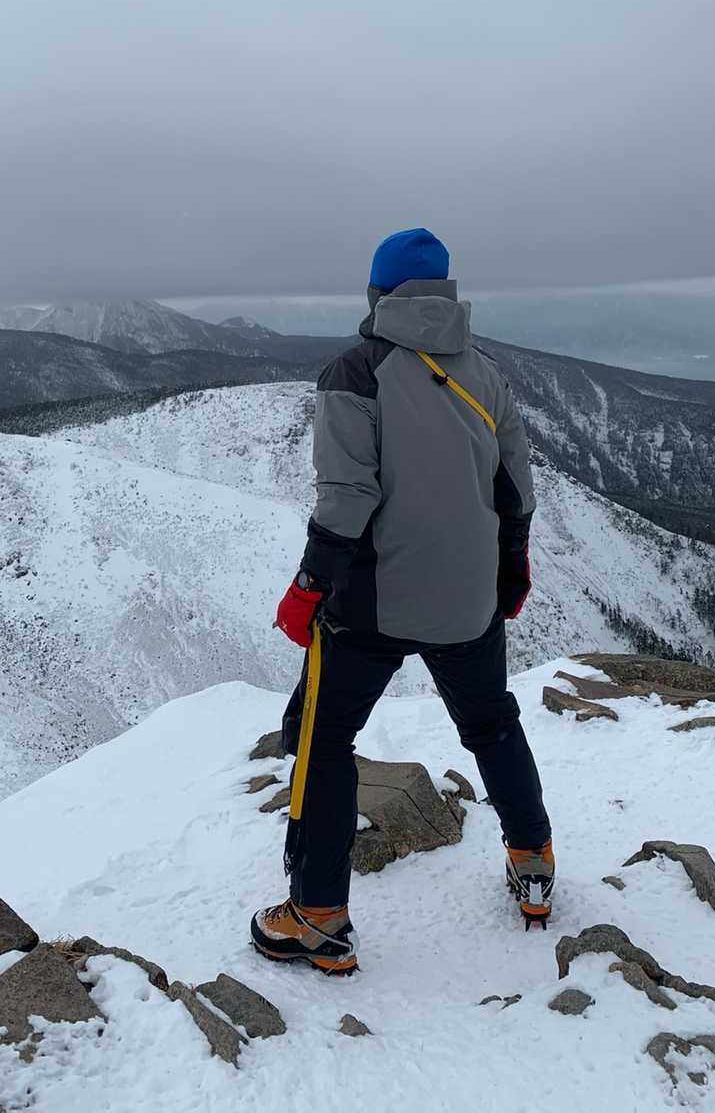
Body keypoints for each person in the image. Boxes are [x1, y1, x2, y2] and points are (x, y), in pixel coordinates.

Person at [250, 228, 553, 976]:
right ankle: (533, 862)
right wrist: (510, 574)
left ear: (377, 292)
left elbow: (347, 497)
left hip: (370, 606)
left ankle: (318, 915)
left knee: (323, 740)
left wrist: (308, 587)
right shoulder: (485, 372)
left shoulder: (354, 372)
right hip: (468, 599)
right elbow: (516, 491)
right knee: (491, 724)